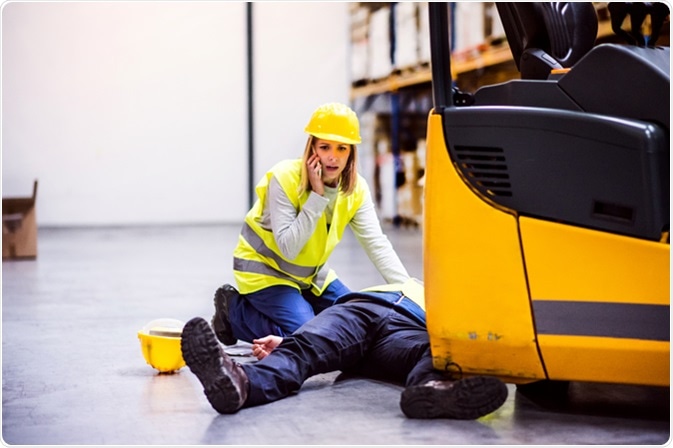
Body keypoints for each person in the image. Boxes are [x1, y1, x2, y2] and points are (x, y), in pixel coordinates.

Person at [212, 102, 410, 345]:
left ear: (351, 153)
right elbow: (289, 248)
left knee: (357, 321)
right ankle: (234, 313)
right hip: (266, 272)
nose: (333, 157)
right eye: (325, 147)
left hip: (311, 276)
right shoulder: (285, 177)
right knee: (311, 339)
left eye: (342, 148)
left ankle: (303, 312)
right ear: (312, 147)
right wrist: (317, 196)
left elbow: (376, 243)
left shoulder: (356, 189)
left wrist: (408, 291)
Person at [181, 279, 509, 420]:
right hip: (362, 308)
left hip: (410, 326)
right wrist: (289, 338)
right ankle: (238, 383)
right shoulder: (405, 284)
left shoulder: (444, 291)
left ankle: (431, 391)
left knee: (436, 352)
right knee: (303, 346)